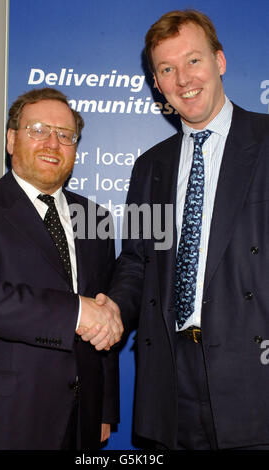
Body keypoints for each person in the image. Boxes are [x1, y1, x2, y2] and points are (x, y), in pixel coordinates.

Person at [94, 9, 269, 450]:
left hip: (254, 376)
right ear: (157, 83)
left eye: (193, 60)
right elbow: (136, 261)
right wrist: (112, 309)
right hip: (168, 380)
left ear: (220, 61)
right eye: (167, 68)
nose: (183, 78)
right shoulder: (148, 166)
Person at [0, 87, 122, 450]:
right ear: (11, 139)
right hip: (4, 416)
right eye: (38, 130)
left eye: (66, 136)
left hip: (82, 417)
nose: (53, 143)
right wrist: (75, 312)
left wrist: (105, 407)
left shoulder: (96, 217)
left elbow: (105, 310)